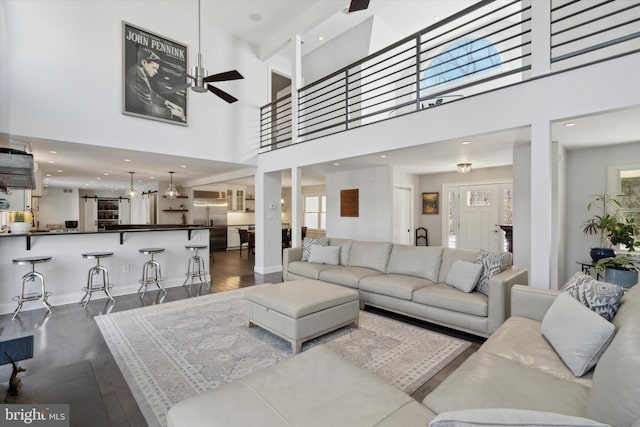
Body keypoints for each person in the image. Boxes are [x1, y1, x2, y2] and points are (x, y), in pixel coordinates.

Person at [125, 48, 186, 122]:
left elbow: (151, 93)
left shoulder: (139, 73)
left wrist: (169, 103)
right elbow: (149, 108)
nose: (156, 72)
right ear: (144, 62)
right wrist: (173, 112)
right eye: (154, 68)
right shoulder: (137, 76)